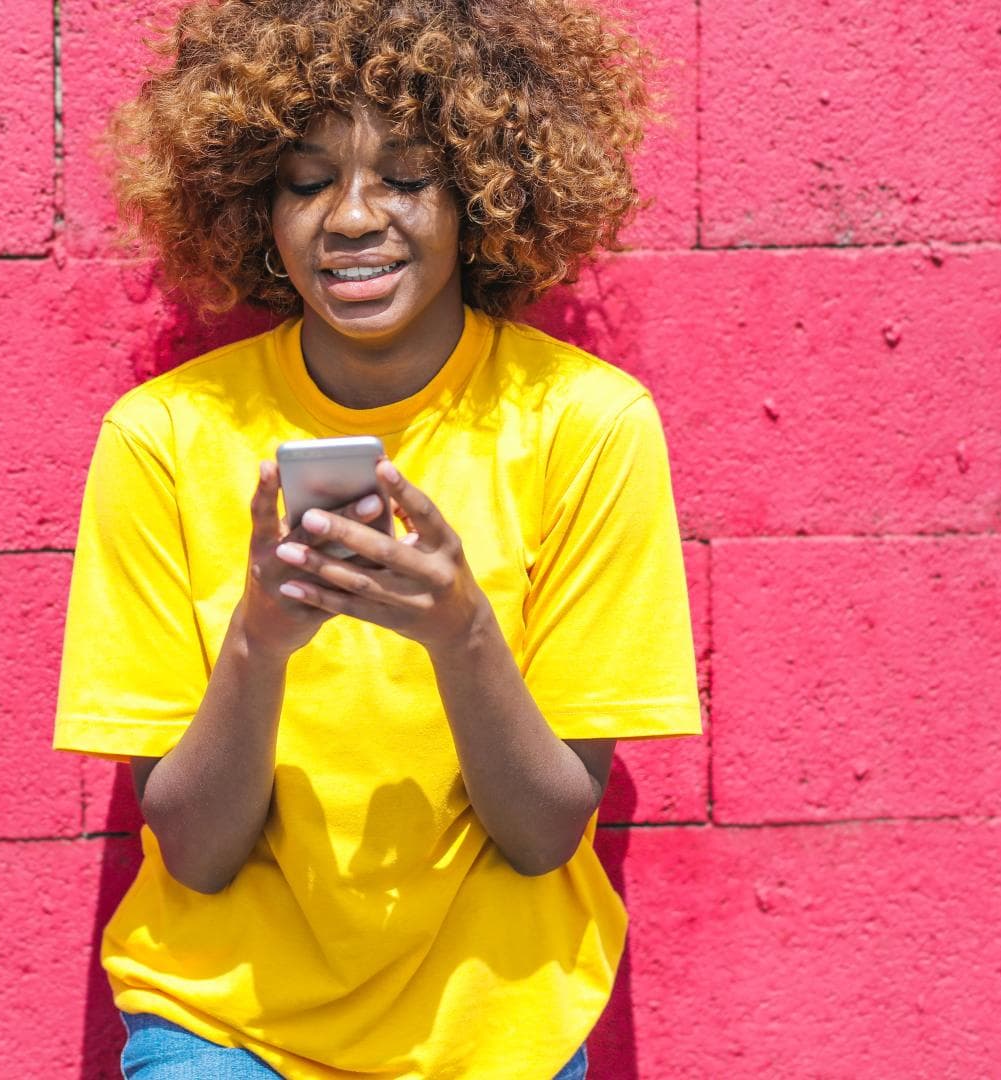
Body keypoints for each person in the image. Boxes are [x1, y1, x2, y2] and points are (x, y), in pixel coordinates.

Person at [52, 1, 700, 1075]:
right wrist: (259, 641)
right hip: (225, 1027)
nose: (352, 218)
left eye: (404, 177)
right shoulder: (163, 437)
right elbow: (198, 857)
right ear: (254, 204)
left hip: (496, 1033)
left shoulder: (586, 427)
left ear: (483, 193)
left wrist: (461, 634)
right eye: (309, 182)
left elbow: (545, 837)